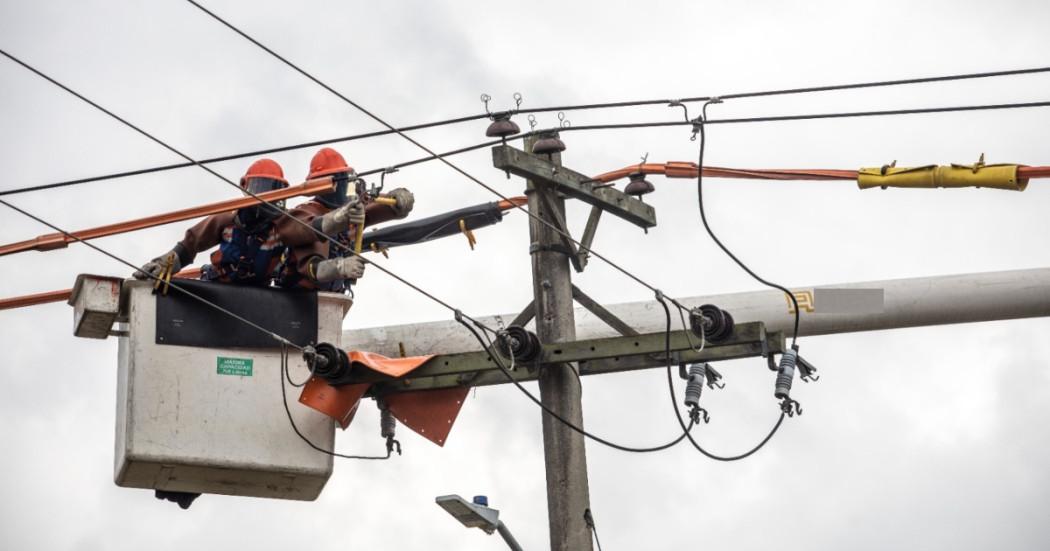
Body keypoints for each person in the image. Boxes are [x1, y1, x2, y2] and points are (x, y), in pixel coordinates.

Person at [134, 157, 368, 286]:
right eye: (261, 188)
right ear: (245, 188)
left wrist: (340, 219)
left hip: (258, 293)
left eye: (274, 190)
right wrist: (166, 262)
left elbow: (309, 228)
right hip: (220, 286)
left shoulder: (280, 226)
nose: (266, 197)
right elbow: (191, 243)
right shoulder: (228, 220)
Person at [277, 147, 414, 291]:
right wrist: (339, 267)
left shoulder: (353, 209)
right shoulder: (306, 212)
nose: (342, 187)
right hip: (297, 295)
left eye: (345, 179)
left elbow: (378, 207)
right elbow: (312, 264)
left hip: (334, 296)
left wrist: (398, 200)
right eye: (338, 180)